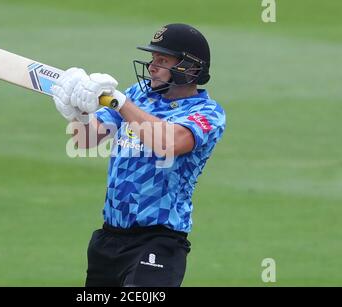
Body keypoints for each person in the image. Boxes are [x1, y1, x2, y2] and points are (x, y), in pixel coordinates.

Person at [51, 23, 226, 287]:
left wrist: (120, 103)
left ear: (189, 68)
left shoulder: (207, 113)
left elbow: (168, 142)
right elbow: (85, 139)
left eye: (162, 60)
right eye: (152, 58)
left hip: (159, 240)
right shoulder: (136, 96)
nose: (152, 66)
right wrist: (79, 113)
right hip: (109, 239)